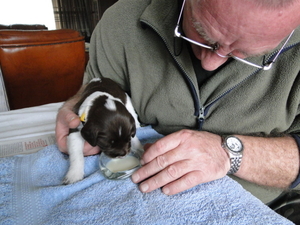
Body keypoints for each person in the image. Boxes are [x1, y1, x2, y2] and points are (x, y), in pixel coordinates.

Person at [56, 0, 300, 204]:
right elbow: (97, 86)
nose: (210, 63)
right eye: (202, 33)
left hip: (270, 205)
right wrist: (78, 104)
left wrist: (229, 154)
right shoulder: (120, 23)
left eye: (246, 54)